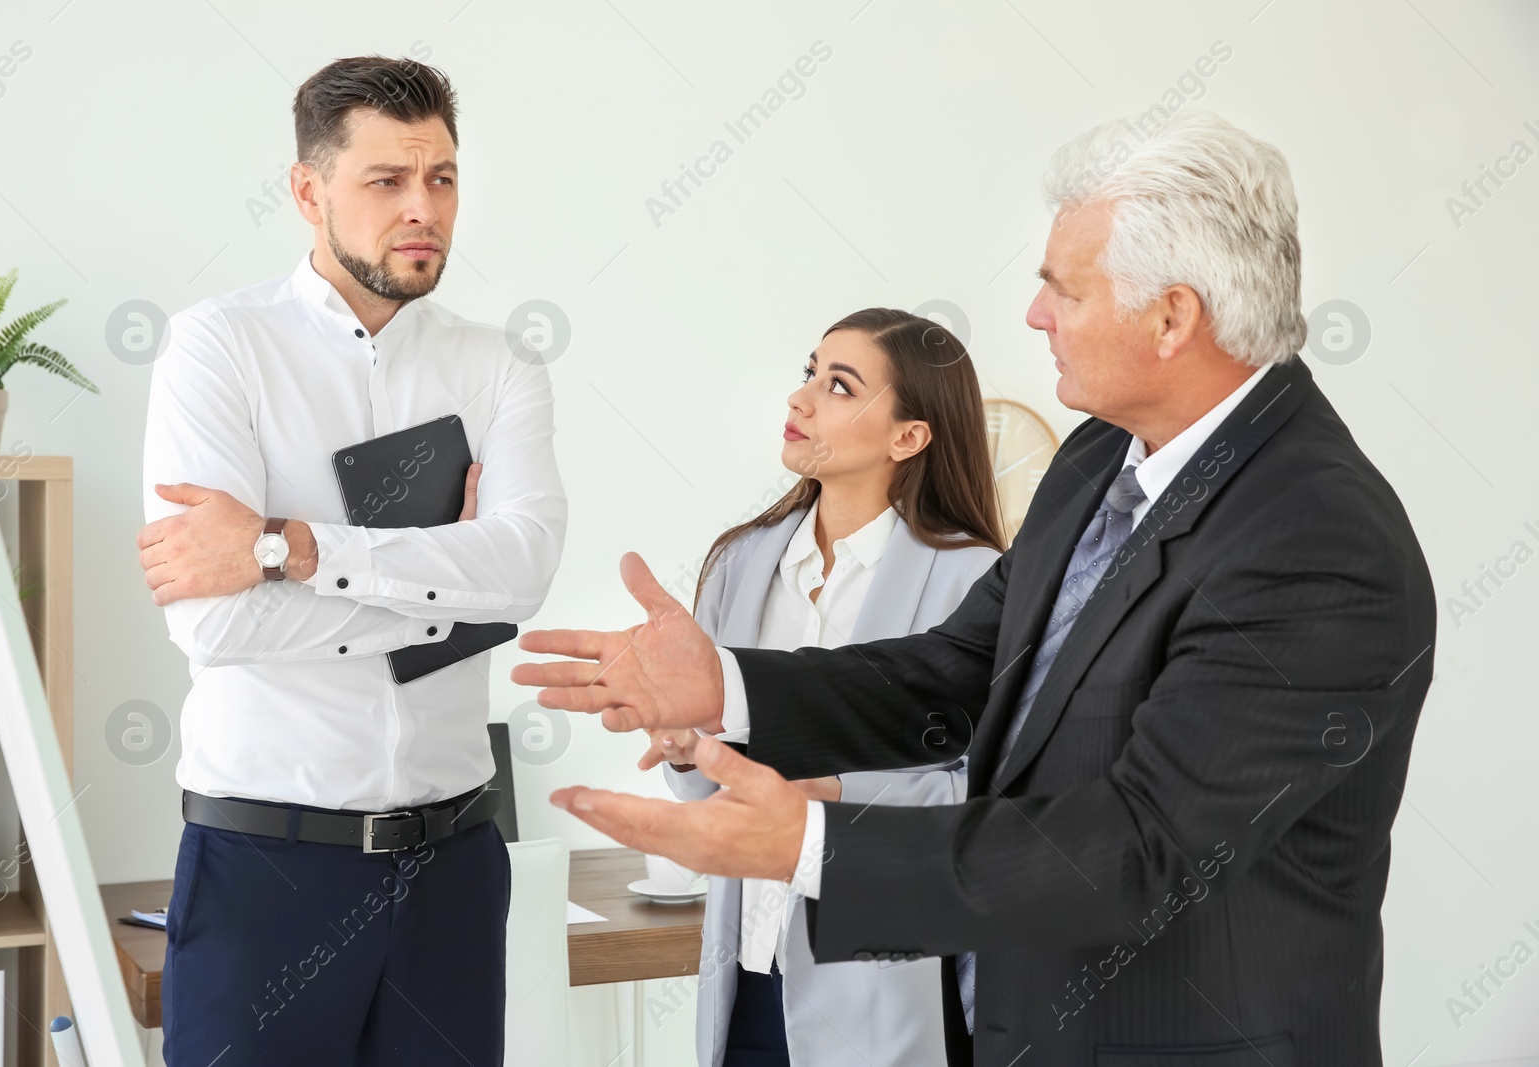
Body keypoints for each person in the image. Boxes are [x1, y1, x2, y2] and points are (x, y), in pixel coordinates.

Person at [514, 110, 1436, 1066]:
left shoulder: (1318, 539)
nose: (1035, 316)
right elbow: (960, 671)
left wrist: (814, 845)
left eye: (1062, 290)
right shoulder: (1100, 460)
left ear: (1172, 317)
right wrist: (730, 688)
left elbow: (1142, 846)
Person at [137, 56, 566, 1065]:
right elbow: (216, 622)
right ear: (307, 190)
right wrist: (445, 577)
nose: (423, 208)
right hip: (266, 871)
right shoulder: (217, 349)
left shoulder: (498, 364)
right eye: (387, 180)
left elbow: (523, 571)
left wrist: (289, 547)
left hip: (453, 870)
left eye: (443, 178)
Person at [648, 308, 1004, 1066]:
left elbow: (990, 793)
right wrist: (685, 751)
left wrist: (831, 789)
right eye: (807, 373)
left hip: (881, 984)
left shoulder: (972, 579)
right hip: (747, 968)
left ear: (910, 436)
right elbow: (710, 799)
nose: (800, 400)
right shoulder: (740, 562)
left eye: (838, 386)